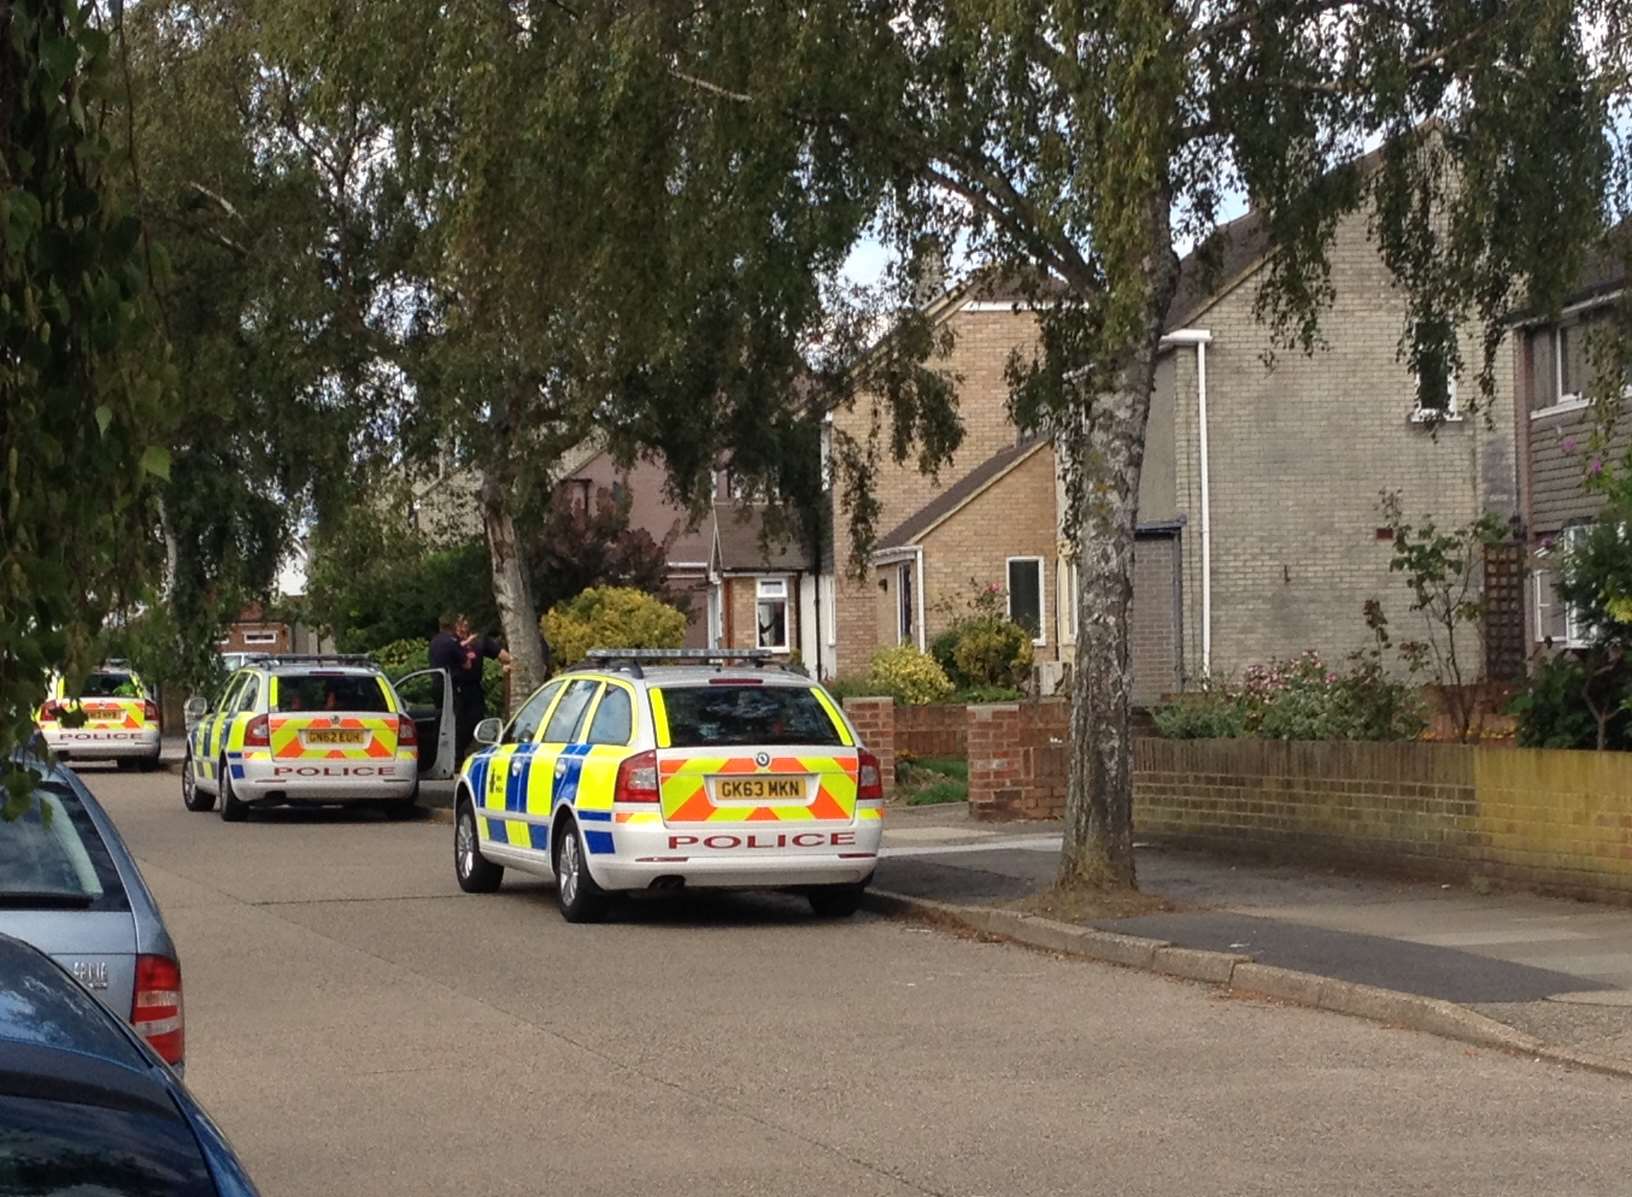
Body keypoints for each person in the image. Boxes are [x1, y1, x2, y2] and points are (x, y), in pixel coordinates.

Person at [452, 614, 512, 763]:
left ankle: (460, 753)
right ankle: (455, 756)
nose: (464, 624)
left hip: (473, 687)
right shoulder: (452, 641)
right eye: (460, 621)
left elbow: (504, 656)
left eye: (466, 620)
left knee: (476, 719)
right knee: (457, 722)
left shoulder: (479, 641)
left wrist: (509, 663)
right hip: (455, 687)